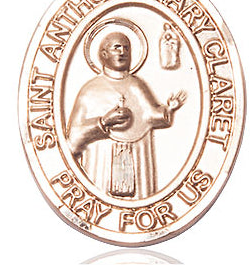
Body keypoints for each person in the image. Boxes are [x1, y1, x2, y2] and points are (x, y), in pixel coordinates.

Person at [66, 31, 186, 199]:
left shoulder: (137, 86)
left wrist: (169, 109)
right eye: (116, 47)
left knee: (140, 195)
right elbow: (73, 137)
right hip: (102, 157)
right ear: (103, 54)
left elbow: (150, 115)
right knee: (101, 190)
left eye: (126, 48)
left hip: (137, 155)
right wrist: (103, 122)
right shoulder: (90, 90)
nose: (122, 52)